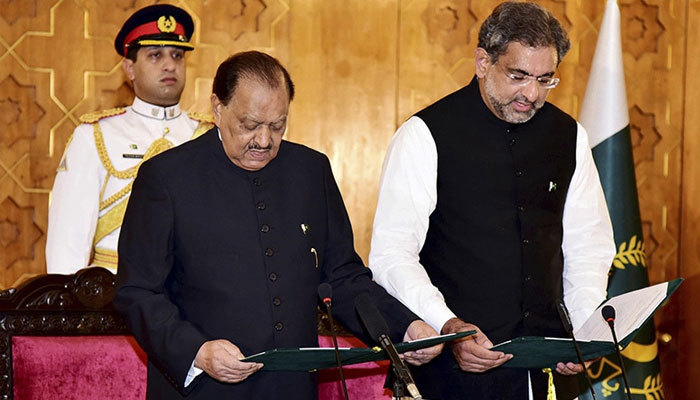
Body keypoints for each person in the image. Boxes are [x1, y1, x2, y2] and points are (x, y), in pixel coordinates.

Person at [113, 50, 442, 399]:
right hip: (203, 389)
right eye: (250, 124)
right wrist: (197, 351)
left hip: (290, 389)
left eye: (278, 125)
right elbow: (137, 292)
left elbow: (343, 278)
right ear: (217, 108)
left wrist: (403, 326)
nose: (264, 140)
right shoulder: (166, 178)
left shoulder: (310, 171)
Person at [368, 2, 616, 399]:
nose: (531, 93)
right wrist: (448, 325)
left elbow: (588, 247)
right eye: (518, 76)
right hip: (449, 375)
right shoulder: (424, 135)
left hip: (542, 373)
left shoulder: (569, 136)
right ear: (483, 62)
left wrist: (583, 328)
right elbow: (391, 255)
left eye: (545, 79)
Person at [46, 4, 213, 274]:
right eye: (155, 55)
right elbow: (68, 242)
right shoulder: (94, 135)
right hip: (114, 297)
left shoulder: (209, 136)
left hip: (192, 298)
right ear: (129, 68)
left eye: (177, 55)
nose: (170, 64)